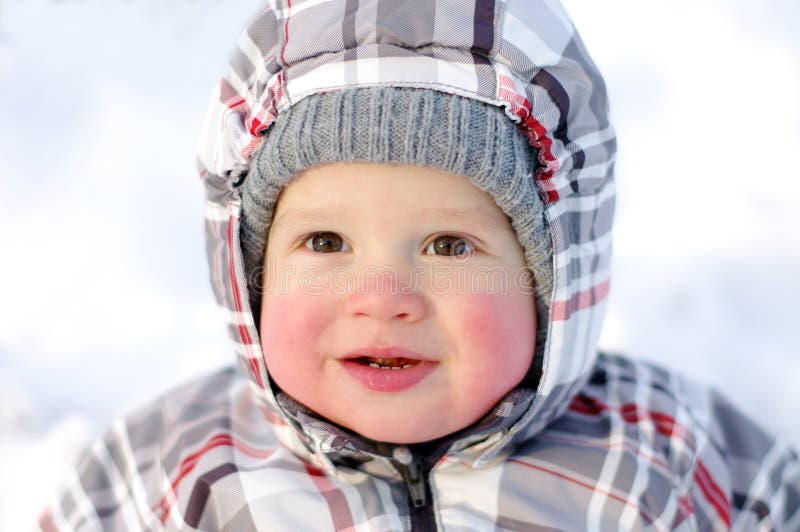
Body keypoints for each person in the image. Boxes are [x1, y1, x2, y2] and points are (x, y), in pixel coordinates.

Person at [40, 1, 800, 530]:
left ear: (550, 280)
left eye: (447, 247)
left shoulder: (662, 456)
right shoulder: (174, 476)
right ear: (250, 269)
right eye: (327, 243)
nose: (382, 299)